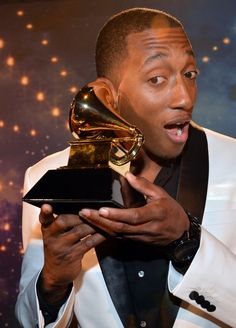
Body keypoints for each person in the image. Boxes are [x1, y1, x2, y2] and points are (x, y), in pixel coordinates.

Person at [15, 7, 236, 328]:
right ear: (108, 94)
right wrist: (52, 281)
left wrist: (187, 241)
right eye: (157, 79)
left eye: (189, 75)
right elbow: (27, 321)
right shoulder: (47, 175)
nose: (185, 98)